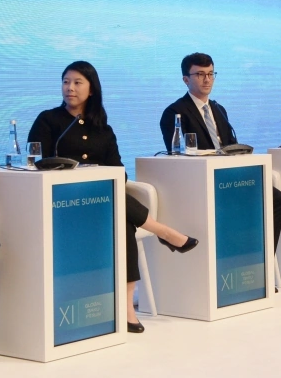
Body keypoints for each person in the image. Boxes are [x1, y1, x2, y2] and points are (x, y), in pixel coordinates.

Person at [29, 61, 199, 333]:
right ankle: (163, 231)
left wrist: (99, 175)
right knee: (117, 211)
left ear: (91, 89)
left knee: (123, 223)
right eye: (66, 82)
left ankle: (127, 306)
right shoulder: (48, 120)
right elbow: (37, 162)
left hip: (99, 203)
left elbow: (119, 172)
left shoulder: (103, 128)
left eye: (77, 83)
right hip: (63, 202)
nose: (70, 88)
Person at [160, 53, 281, 255]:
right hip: (204, 180)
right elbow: (177, 156)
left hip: (232, 176)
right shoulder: (175, 112)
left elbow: (230, 145)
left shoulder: (218, 109)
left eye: (211, 74)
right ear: (186, 79)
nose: (207, 79)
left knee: (279, 201)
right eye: (200, 74)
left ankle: (260, 259)